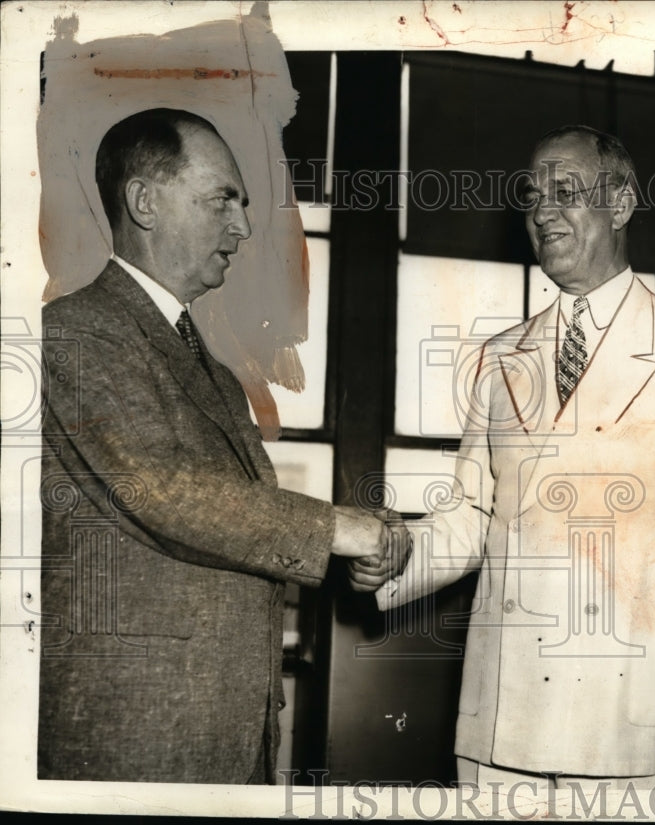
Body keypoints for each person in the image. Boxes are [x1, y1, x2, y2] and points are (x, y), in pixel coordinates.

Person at [350, 125, 655, 790]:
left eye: (565, 191)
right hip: (498, 729)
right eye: (532, 196)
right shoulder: (500, 356)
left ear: (621, 206)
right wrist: (396, 554)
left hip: (634, 731)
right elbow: (471, 517)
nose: (542, 211)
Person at [38, 108, 400, 784]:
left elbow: (239, 520)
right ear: (145, 201)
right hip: (132, 738)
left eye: (244, 204)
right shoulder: (75, 333)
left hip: (219, 729)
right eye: (221, 200)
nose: (244, 226)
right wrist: (344, 528)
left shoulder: (218, 375)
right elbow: (161, 488)